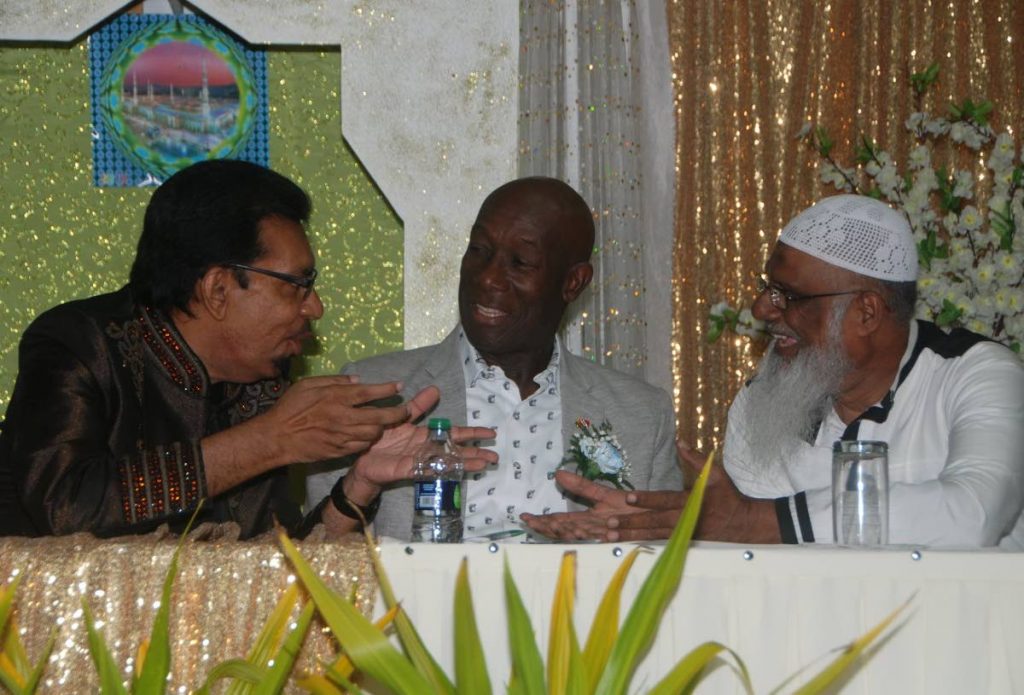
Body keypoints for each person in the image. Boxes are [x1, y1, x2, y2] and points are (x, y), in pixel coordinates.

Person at [0, 159, 496, 539]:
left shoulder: (262, 384)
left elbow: (271, 572)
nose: (315, 308)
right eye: (297, 285)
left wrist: (359, 485)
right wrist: (269, 440)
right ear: (217, 289)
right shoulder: (78, 343)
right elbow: (66, 507)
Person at [524, 194, 1024, 548]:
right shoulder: (767, 398)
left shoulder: (978, 375)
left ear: (867, 313)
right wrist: (643, 532)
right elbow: (748, 550)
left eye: (791, 295)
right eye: (768, 287)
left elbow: (972, 517)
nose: (762, 309)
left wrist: (753, 521)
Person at [306, 176, 683, 541]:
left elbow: (669, 576)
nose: (487, 278)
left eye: (520, 263)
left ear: (573, 283)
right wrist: (360, 486)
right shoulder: (375, 394)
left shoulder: (642, 415)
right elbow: (312, 567)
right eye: (479, 251)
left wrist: (624, 545)